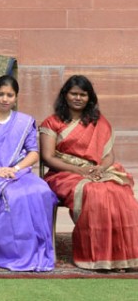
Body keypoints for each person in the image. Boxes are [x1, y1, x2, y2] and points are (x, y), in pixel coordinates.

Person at [40, 75, 138, 270]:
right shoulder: (52, 122)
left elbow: (109, 155)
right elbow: (48, 157)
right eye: (74, 94)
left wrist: (100, 168)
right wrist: (79, 170)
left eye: (83, 95)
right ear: (65, 95)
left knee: (120, 192)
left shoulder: (99, 122)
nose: (78, 98)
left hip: (96, 170)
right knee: (95, 193)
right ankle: (96, 256)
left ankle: (121, 255)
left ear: (89, 98)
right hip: (63, 174)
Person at [0, 75, 57, 271]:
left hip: (18, 173)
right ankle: (12, 253)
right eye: (1, 94)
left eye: (9, 95)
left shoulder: (24, 122)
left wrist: (15, 169)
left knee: (41, 191)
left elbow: (33, 153)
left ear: (16, 97)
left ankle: (36, 249)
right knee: (12, 197)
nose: (5, 99)